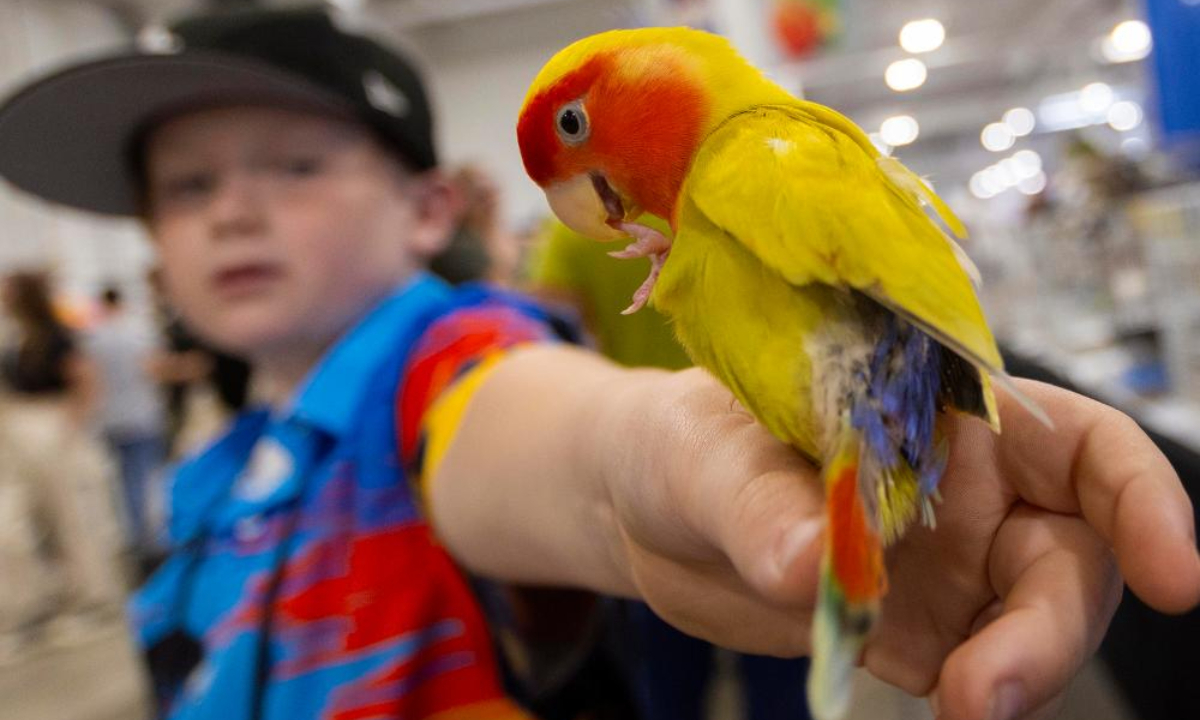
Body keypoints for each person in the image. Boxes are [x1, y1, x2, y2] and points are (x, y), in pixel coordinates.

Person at [0, 7, 1196, 720]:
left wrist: (645, 466)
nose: (232, 214)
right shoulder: (212, 480)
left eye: (292, 166)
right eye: (187, 185)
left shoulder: (438, 362)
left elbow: (550, 433)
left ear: (429, 209)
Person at [531, 218, 809, 720]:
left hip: (643, 467)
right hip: (760, 441)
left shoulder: (574, 236)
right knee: (782, 671)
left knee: (669, 686)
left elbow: (554, 333)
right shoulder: (726, 210)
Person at [0, 271, 125, 630]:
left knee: (73, 514)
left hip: (53, 425)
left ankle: (92, 596)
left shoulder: (56, 335)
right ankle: (34, 601)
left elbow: (86, 378)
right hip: (20, 428)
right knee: (18, 522)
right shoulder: (16, 338)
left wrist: (74, 421)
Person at [87, 284, 169, 554]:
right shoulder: (137, 331)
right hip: (141, 414)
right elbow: (153, 367)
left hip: (109, 417)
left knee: (121, 480)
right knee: (146, 477)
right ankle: (150, 539)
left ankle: (131, 534)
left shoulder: (94, 337)